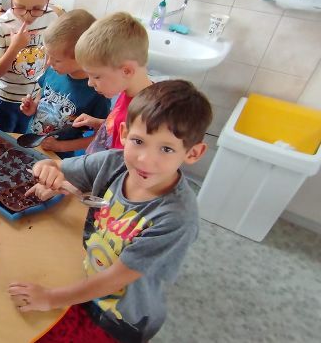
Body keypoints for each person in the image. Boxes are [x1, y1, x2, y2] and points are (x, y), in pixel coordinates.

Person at [11, 80, 213, 342]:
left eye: (166, 149)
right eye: (138, 141)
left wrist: (50, 298)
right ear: (124, 133)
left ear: (193, 153)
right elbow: (54, 166)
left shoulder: (177, 218)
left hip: (118, 319)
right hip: (87, 281)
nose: (144, 159)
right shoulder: (113, 162)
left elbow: (115, 280)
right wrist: (46, 170)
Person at [20, 9, 110, 158]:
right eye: (49, 56)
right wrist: (34, 106)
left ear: (81, 57)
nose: (49, 63)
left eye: (56, 60)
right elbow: (44, 92)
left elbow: (101, 136)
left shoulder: (98, 92)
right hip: (32, 140)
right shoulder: (54, 71)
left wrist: (61, 146)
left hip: (58, 156)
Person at [0, 0, 59, 133]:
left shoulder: (52, 19)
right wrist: (14, 48)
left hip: (34, 100)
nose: (28, 15)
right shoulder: (0, 27)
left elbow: (52, 55)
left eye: (37, 8)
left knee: (24, 143)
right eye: (20, 7)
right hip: (3, 101)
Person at [70, 12, 154, 154]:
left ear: (126, 71)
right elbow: (118, 124)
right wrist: (100, 123)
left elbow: (116, 162)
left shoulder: (142, 118)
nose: (90, 83)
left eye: (96, 76)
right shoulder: (129, 89)